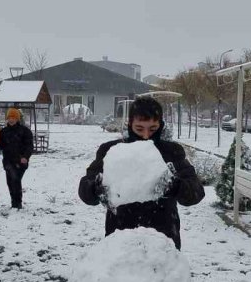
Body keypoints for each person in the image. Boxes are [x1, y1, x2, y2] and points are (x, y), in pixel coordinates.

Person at [78, 96, 205, 249]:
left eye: (153, 129)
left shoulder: (171, 152)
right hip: (121, 235)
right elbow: (86, 188)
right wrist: (94, 188)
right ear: (130, 124)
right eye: (139, 129)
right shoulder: (112, 151)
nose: (146, 135)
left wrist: (177, 186)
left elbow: (196, 192)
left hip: (163, 236)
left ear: (161, 125)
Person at [0, 108, 34, 209]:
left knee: (16, 180)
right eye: (9, 117)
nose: (11, 119)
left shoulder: (25, 131)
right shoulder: (4, 131)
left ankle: (17, 204)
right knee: (10, 182)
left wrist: (25, 157)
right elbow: (1, 146)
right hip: (8, 161)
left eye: (13, 117)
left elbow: (29, 146)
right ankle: (13, 202)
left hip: (20, 161)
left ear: (17, 118)